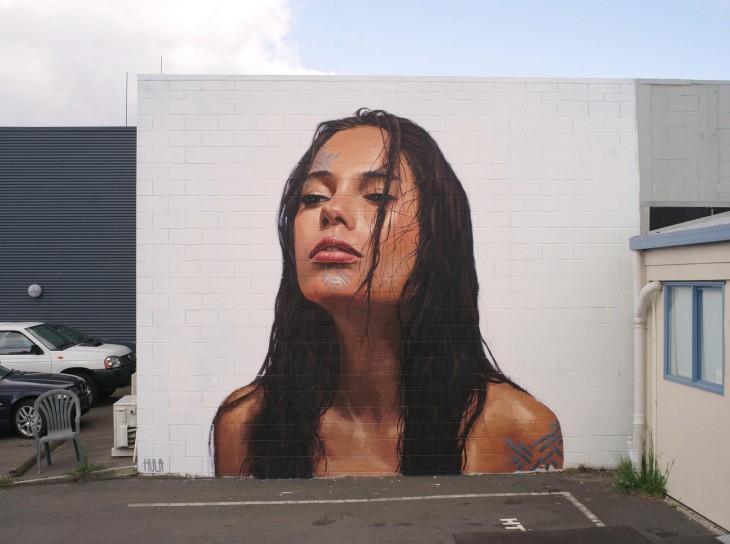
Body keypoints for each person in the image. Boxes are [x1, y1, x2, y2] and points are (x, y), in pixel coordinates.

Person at [213, 109, 562, 478]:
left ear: (436, 232)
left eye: (377, 195)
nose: (332, 210)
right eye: (314, 197)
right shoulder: (247, 424)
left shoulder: (521, 430)